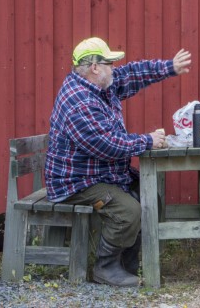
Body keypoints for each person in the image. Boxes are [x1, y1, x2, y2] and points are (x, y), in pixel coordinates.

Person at [45, 37, 192, 286]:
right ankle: (106, 267)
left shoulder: (99, 87)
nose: (115, 67)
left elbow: (131, 74)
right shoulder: (79, 101)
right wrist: (147, 141)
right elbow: (107, 146)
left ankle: (127, 264)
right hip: (75, 182)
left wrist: (169, 67)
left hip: (97, 174)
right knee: (129, 210)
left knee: (147, 197)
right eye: (110, 63)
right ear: (94, 67)